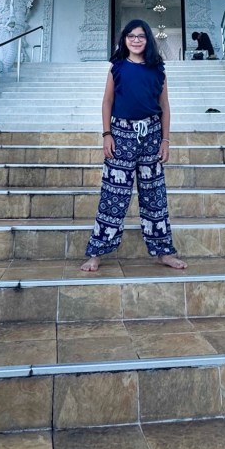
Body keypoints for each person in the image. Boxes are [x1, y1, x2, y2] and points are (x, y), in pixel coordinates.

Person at [81, 19, 187, 272]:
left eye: (141, 36)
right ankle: (96, 253)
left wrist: (165, 140)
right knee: (113, 195)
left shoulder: (157, 68)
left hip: (151, 135)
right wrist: (107, 134)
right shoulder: (117, 67)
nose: (136, 40)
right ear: (124, 39)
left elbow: (164, 106)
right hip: (121, 134)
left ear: (148, 39)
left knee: (154, 196)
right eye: (131, 36)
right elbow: (107, 102)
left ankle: (164, 252)